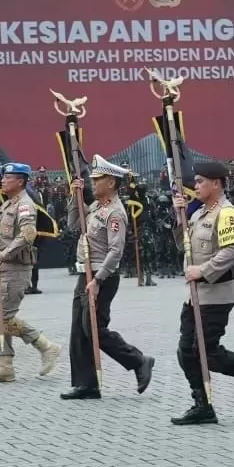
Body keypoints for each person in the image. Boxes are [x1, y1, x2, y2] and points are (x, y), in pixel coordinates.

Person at [168, 160, 234, 425]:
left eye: (201, 181)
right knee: (186, 351)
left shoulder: (226, 212)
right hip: (194, 295)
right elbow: (184, 246)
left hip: (216, 294)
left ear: (217, 183)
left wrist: (203, 270)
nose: (196, 185)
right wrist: (179, 217)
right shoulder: (199, 212)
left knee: (208, 351)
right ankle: (202, 405)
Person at [60, 155, 155, 400]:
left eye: (98, 179)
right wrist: (75, 197)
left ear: (111, 182)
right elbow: (73, 226)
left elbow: (116, 251)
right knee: (79, 331)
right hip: (85, 274)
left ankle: (138, 360)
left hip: (102, 276)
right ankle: (86, 384)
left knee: (93, 329)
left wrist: (98, 280)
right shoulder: (96, 207)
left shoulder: (115, 212)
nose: (93, 183)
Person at [0, 163, 62, 383]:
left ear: (20, 181)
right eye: (3, 177)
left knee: (2, 319)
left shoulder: (25, 205)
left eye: (8, 178)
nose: (3, 181)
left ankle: (46, 346)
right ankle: (5, 366)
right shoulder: (6, 205)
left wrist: (5, 253)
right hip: (3, 268)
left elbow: (28, 234)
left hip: (15, 267)